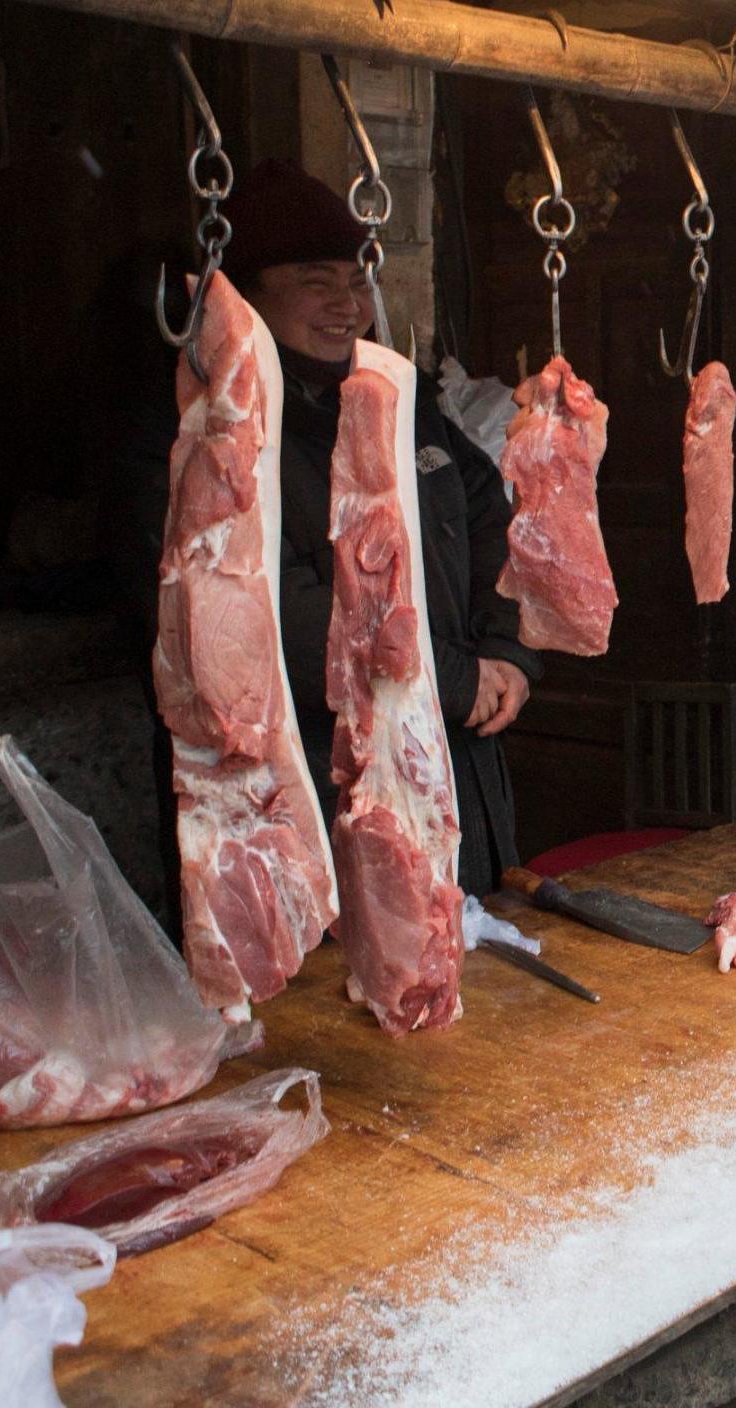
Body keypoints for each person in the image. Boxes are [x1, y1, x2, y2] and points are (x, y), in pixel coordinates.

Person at [124, 160, 538, 914]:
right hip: (307, 791)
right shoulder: (206, 430)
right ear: (245, 292)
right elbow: (264, 613)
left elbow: (488, 515)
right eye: (317, 281)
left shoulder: (396, 396)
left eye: (356, 281)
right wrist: (449, 681)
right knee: (326, 1005)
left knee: (464, 978)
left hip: (454, 771)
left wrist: (506, 654)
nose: (347, 306)